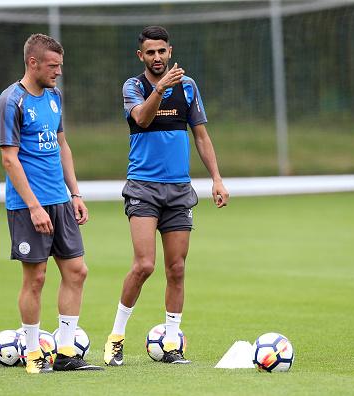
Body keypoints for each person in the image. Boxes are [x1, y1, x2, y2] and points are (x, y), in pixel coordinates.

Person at [103, 26, 229, 366]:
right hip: (143, 186)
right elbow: (142, 119)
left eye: (162, 51)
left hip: (178, 190)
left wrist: (216, 178)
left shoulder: (188, 87)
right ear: (140, 56)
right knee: (144, 265)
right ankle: (116, 337)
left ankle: (172, 342)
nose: (157, 57)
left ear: (170, 51)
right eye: (150, 52)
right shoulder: (133, 87)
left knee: (176, 268)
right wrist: (159, 89)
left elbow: (201, 137)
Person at [0, 33, 102, 374]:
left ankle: (67, 353)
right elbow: (10, 160)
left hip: (60, 201)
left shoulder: (54, 97)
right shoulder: (12, 101)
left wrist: (75, 193)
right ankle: (33, 353)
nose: (58, 72)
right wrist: (34, 207)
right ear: (33, 63)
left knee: (77, 271)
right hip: (29, 205)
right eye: (53, 66)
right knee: (36, 278)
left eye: (60, 65)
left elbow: (62, 145)